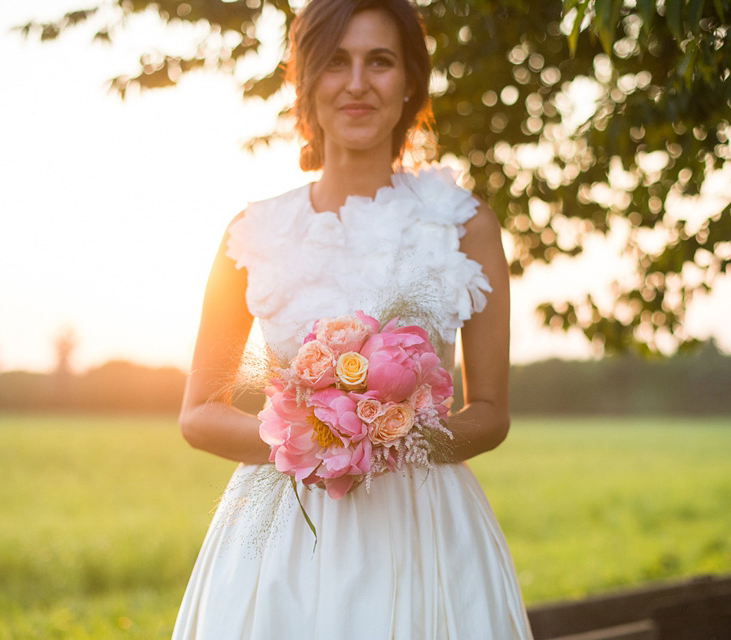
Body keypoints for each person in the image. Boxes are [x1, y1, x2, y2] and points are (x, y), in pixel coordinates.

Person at [173, 0, 535, 637]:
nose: (358, 82)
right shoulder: (251, 233)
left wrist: (397, 440)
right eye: (337, 61)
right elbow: (199, 412)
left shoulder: (463, 224)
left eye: (381, 61)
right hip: (281, 535)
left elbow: (492, 413)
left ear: (409, 84)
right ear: (307, 80)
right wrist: (319, 442)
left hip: (424, 528)